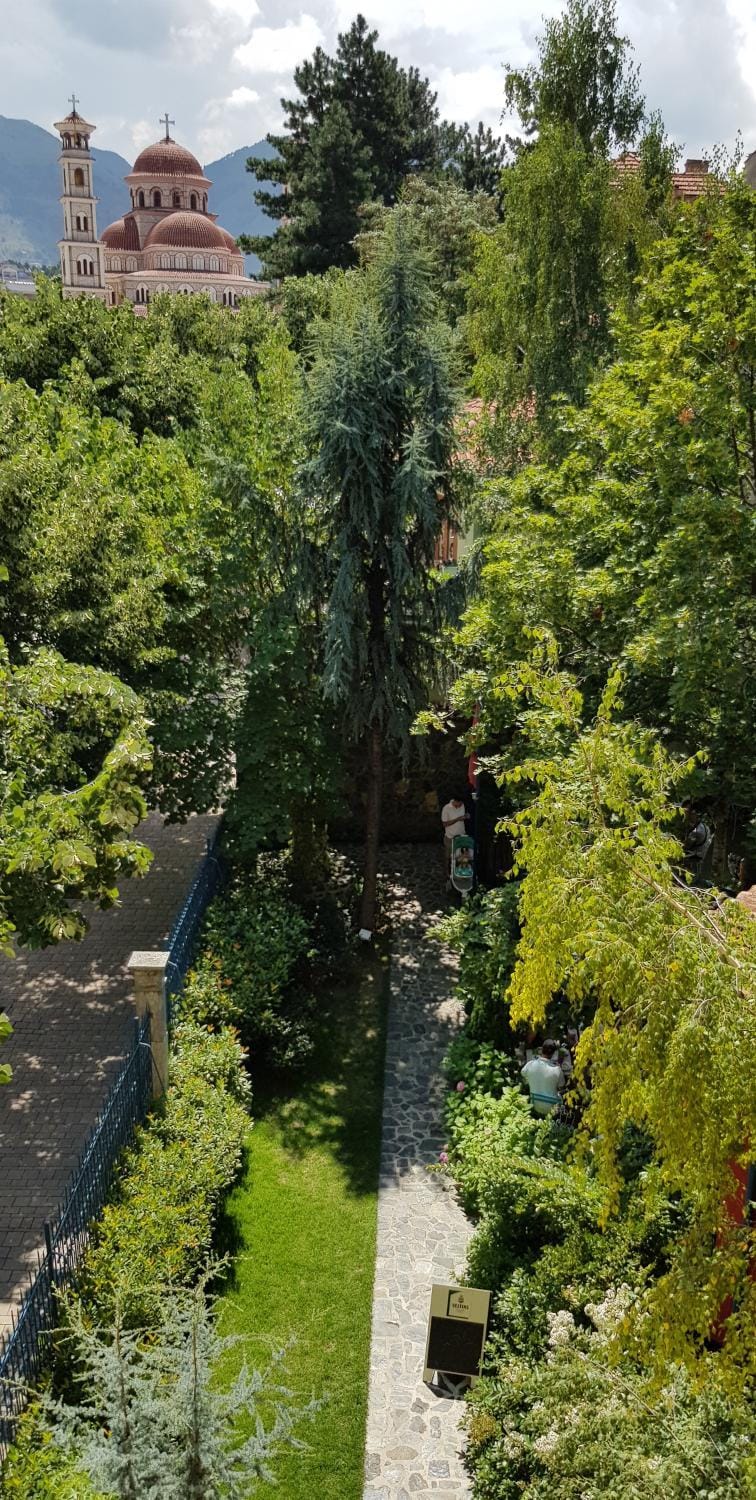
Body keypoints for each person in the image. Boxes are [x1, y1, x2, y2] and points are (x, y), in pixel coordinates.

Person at [521, 1041, 565, 1116]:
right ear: (553, 1054)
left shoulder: (530, 1064)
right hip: (552, 1108)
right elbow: (561, 1086)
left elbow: (523, 1074)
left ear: (541, 1050)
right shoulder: (557, 1069)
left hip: (534, 1104)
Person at [441, 793, 468, 877]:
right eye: (459, 804)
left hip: (461, 836)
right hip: (450, 837)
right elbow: (444, 824)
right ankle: (447, 873)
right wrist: (458, 819)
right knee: (448, 857)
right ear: (455, 801)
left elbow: (463, 817)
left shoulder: (462, 805)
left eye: (461, 804)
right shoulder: (446, 808)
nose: (460, 806)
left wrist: (466, 816)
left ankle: (458, 873)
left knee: (462, 856)